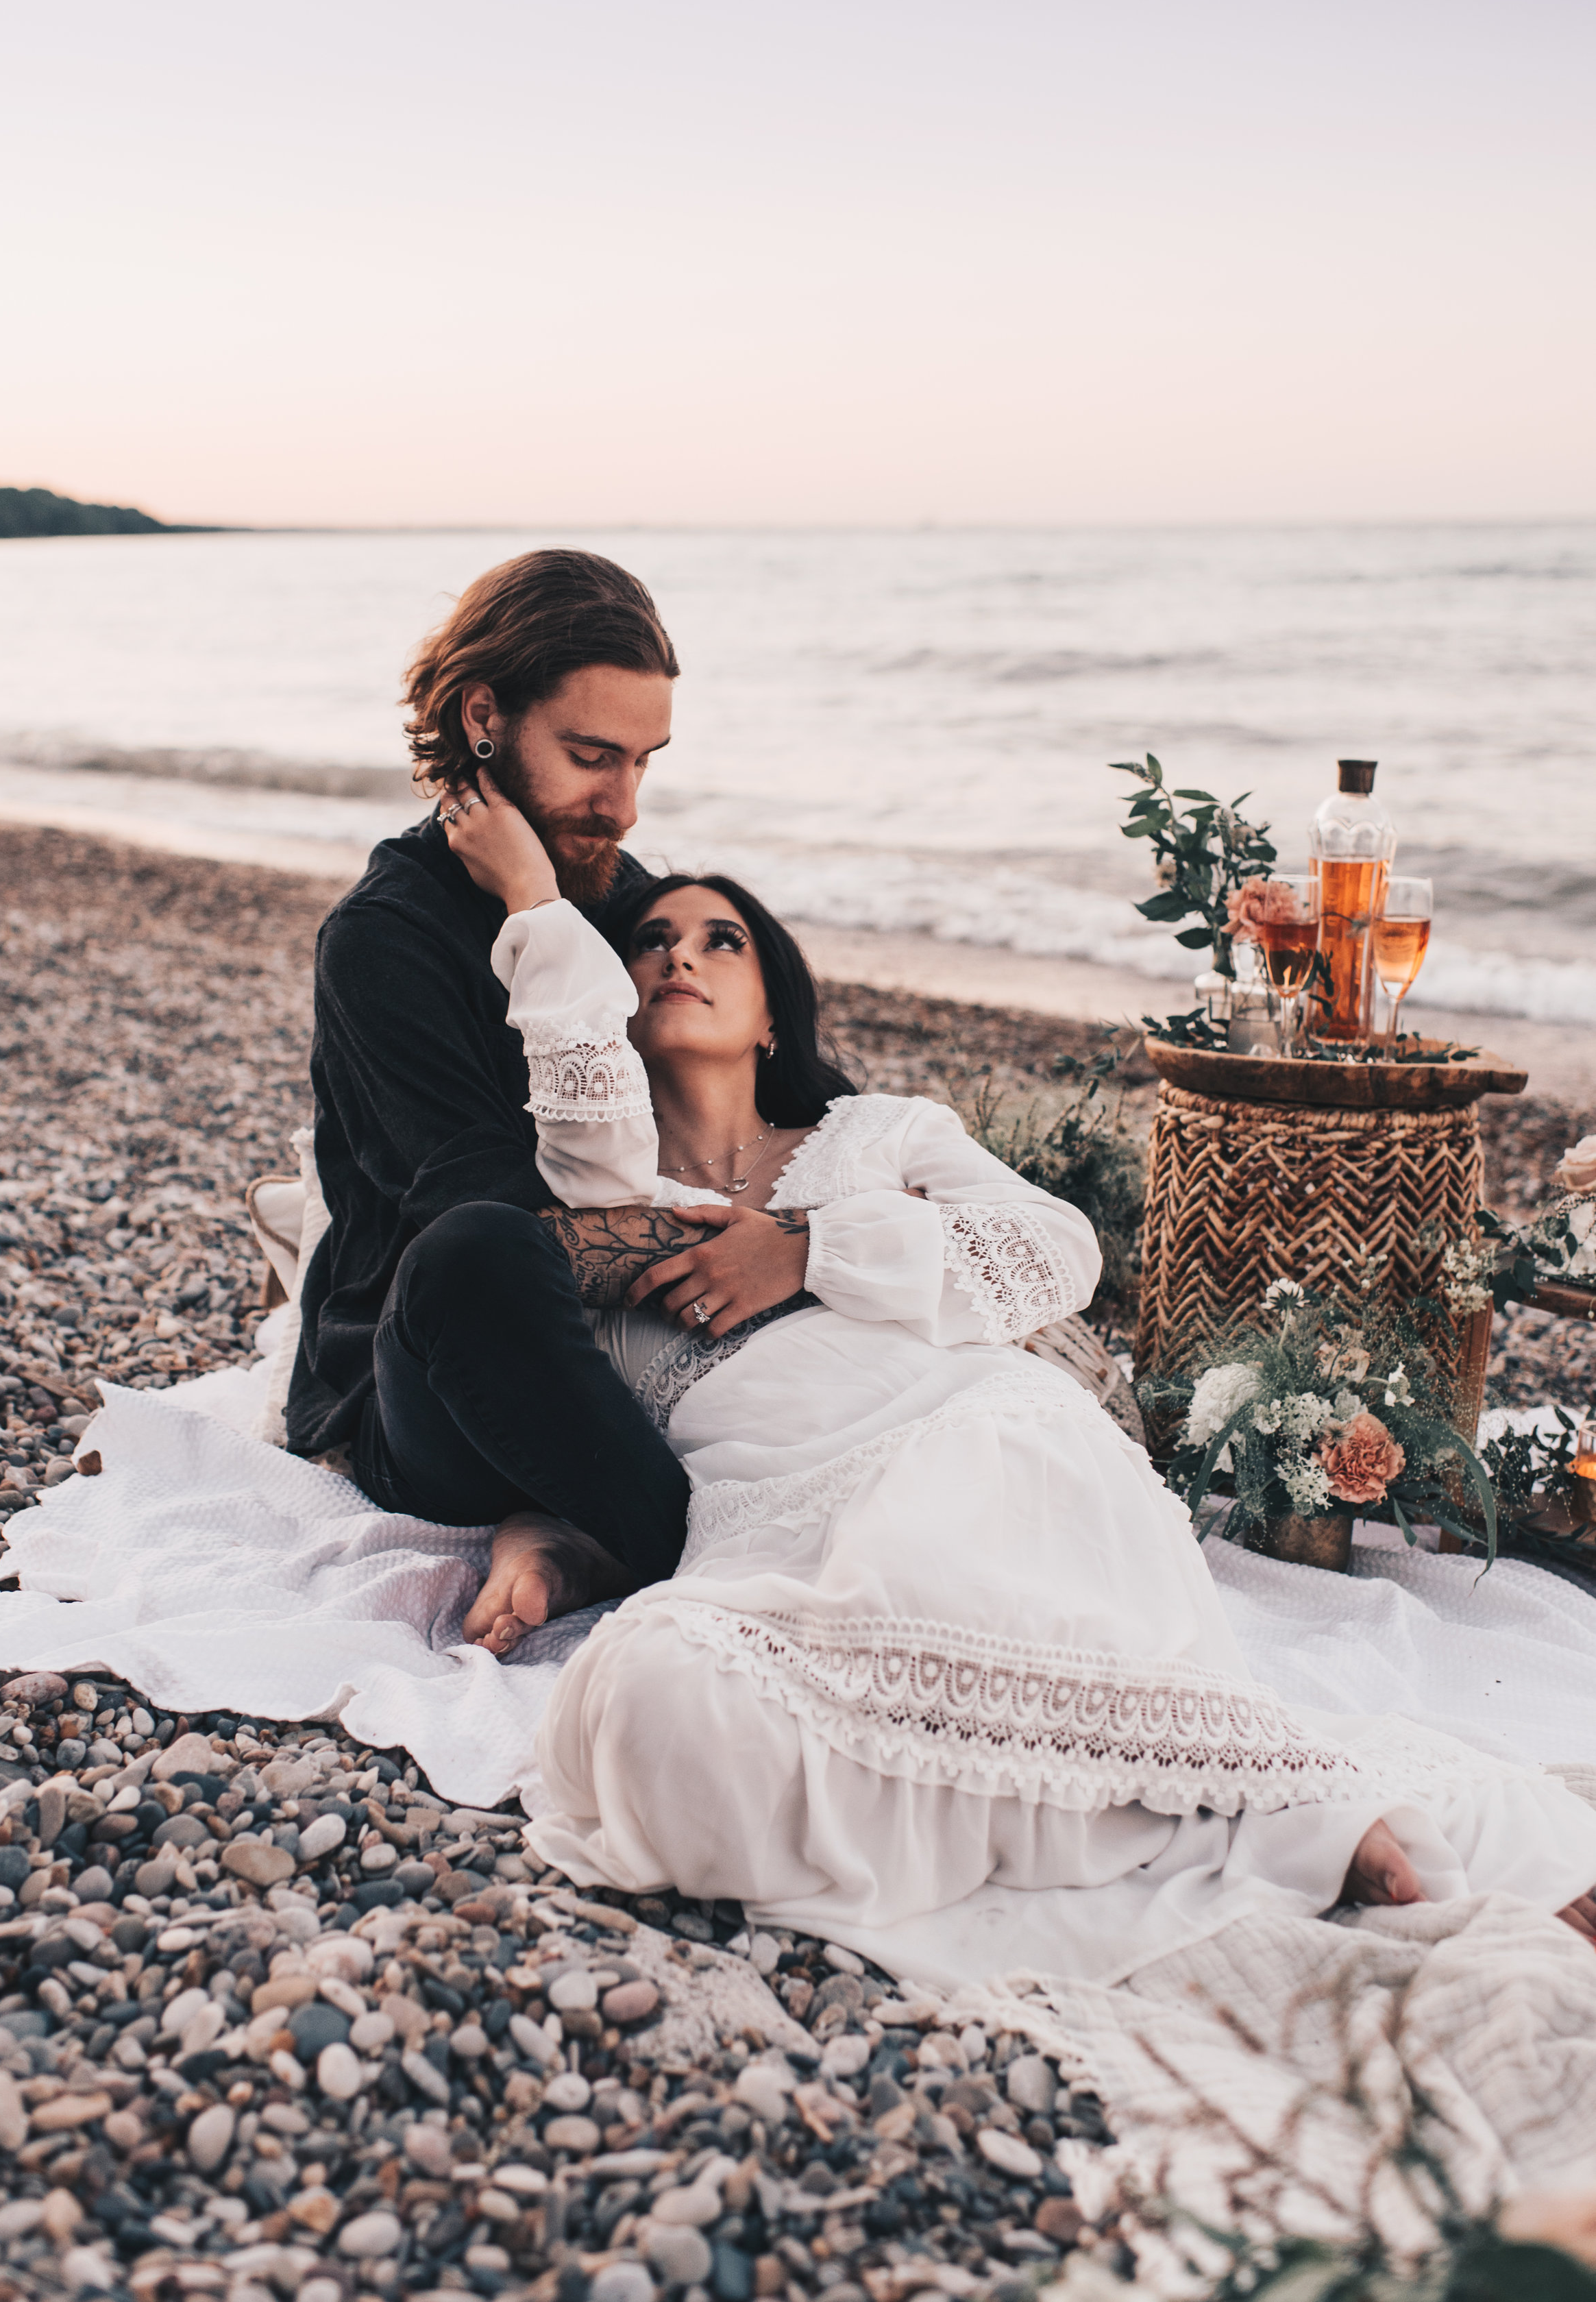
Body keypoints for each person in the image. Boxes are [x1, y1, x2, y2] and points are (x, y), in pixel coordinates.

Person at [441, 778, 1596, 1987]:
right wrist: (532, 898)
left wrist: (813, 1249)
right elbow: (579, 1136)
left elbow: (1059, 1251)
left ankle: (1251, 1791)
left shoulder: (875, 1135)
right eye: (650, 943)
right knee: (647, 1711)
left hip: (971, 1440)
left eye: (720, 938)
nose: (680, 955)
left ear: (774, 1012)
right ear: (611, 995)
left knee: (962, 1524)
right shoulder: (607, 1199)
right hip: (770, 1523)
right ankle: (1171, 1804)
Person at [286, 549, 813, 1652]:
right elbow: (501, 1211)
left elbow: (789, 1092)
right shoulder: (386, 940)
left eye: (642, 762)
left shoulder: (622, 898)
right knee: (477, 1250)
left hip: (639, 1347)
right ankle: (716, 1557)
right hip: (433, 1389)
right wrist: (727, 1242)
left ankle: (594, 1530)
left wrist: (806, 1242)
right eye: (590, 756)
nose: (619, 804)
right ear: (486, 717)